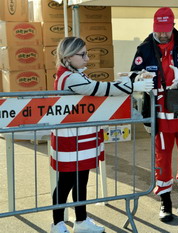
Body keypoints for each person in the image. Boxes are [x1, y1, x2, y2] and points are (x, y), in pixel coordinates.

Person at [50, 36, 153, 233]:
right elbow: (99, 89)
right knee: (66, 182)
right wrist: (132, 86)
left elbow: (99, 88)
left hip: (81, 135)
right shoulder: (69, 77)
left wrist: (126, 83)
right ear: (69, 56)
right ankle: (57, 224)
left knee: (81, 180)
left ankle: (81, 221)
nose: (87, 58)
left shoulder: (74, 73)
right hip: (71, 137)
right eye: (82, 54)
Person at [130, 7, 178, 222]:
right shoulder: (144, 48)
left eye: (166, 30)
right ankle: (165, 203)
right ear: (154, 27)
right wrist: (141, 79)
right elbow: (133, 74)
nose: (163, 35)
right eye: (159, 30)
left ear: (173, 26)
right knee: (162, 160)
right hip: (159, 114)